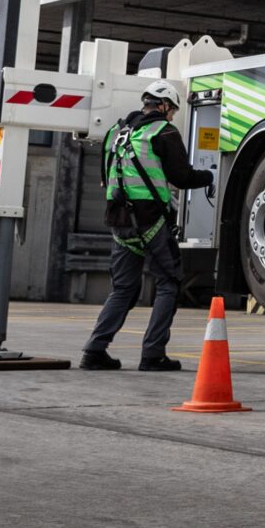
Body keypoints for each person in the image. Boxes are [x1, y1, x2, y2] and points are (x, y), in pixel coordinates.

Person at [81, 79, 214, 371]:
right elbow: (182, 177)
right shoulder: (164, 132)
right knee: (168, 284)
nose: (172, 116)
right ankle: (153, 354)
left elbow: (106, 177)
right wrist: (210, 177)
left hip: (119, 223)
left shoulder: (116, 132)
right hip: (150, 221)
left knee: (123, 289)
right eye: (172, 111)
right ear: (165, 106)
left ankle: (94, 350)